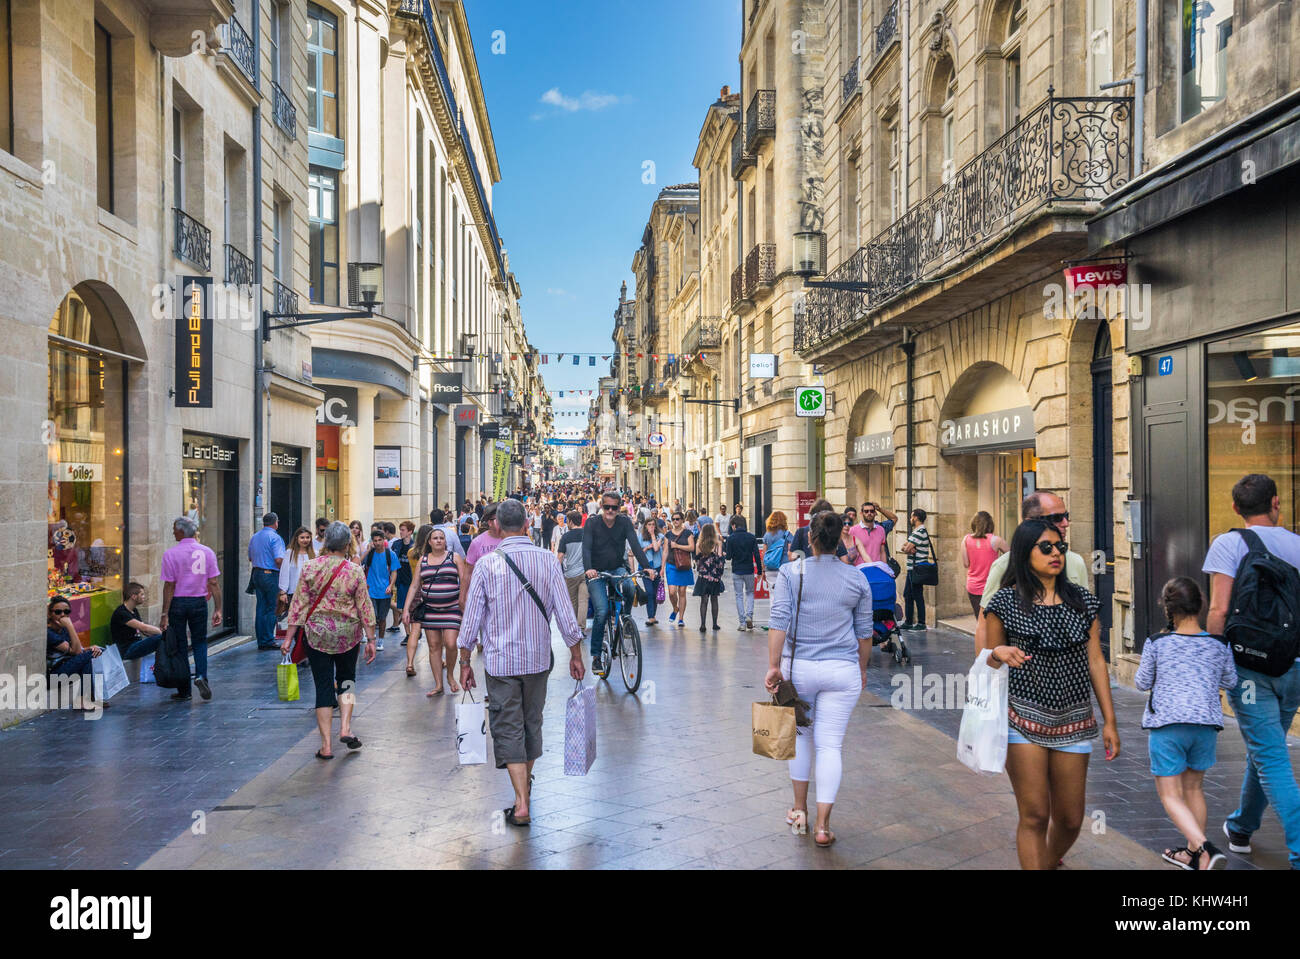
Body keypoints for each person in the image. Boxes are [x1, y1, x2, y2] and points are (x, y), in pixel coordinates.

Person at [981, 518, 1119, 869]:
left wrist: (1110, 721)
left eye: (1060, 547)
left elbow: (1096, 661)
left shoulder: (1083, 603)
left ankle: (1043, 861)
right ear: (1025, 553)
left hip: (1074, 720)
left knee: (1071, 818)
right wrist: (998, 654)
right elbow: (988, 661)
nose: (1056, 553)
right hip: (1021, 718)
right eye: (1046, 547)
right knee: (1035, 815)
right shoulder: (1005, 603)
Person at [457, 499, 585, 827]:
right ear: (527, 524)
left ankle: (521, 802)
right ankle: (524, 791)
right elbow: (565, 612)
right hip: (538, 659)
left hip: (501, 663)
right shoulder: (546, 561)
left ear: (497, 525)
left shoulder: (488, 564)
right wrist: (575, 654)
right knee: (532, 723)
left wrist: (464, 658)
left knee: (507, 725)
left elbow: (472, 617)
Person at [1203, 472, 1300, 868]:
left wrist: (1213, 661)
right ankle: (1241, 828)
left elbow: (1219, 610)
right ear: (1276, 503)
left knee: (1270, 755)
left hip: (1247, 667)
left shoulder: (1227, 543)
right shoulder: (1297, 544)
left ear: (1235, 508)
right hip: (1293, 665)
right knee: (1266, 749)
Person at [764, 512, 873, 847]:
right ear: (841, 537)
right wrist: (863, 667)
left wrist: (773, 666)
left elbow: (778, 621)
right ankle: (824, 826)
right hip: (842, 670)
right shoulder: (857, 579)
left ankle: (800, 811)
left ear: (809, 537)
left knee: (802, 740)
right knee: (830, 745)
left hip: (800, 670)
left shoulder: (790, 573)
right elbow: (864, 633)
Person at [1135, 577, 1235, 870]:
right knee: (1194, 790)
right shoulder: (1219, 645)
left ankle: (1204, 850)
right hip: (1205, 726)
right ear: (1200, 605)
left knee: (1170, 794)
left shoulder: (1157, 642)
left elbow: (1141, 682)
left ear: (1168, 608)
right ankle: (1194, 856)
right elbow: (1230, 680)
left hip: (1168, 726)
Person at [281, 521, 378, 759]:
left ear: (325, 542)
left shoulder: (310, 567)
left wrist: (289, 638)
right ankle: (345, 727)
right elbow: (364, 607)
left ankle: (326, 746)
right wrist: (372, 639)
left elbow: (299, 605)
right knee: (346, 680)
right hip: (348, 635)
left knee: (323, 686)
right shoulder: (354, 570)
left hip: (317, 635)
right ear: (347, 544)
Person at [977, 491, 1090, 650]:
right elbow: (984, 626)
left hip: (1068, 667)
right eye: (1056, 518)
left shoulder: (1076, 562)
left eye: (1066, 515)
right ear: (1031, 523)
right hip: (1020, 667)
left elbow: (1086, 621)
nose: (1065, 523)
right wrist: (985, 670)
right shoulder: (1004, 565)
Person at [583, 491, 655, 669]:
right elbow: (586, 548)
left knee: (630, 587)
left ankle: (625, 618)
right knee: (601, 611)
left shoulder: (624, 522)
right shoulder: (592, 523)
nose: (610, 510)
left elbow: (635, 545)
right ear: (601, 506)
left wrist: (646, 566)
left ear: (618, 508)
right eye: (606, 507)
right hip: (596, 572)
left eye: (614, 507)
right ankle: (596, 656)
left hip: (617, 567)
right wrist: (588, 569)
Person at [160, 516, 222, 701]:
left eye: (174, 529)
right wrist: (218, 608)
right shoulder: (207, 552)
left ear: (181, 531)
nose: (172, 532)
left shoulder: (170, 554)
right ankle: (202, 676)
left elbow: (169, 586)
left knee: (180, 646)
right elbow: (214, 582)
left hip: (178, 603)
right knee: (200, 642)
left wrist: (164, 613)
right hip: (198, 602)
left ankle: (184, 689)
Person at [404, 526, 468, 695]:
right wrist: (406, 610)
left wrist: (465, 603)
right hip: (430, 609)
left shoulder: (454, 557)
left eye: (441, 538)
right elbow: (414, 585)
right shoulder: (423, 560)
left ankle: (450, 676)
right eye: (435, 538)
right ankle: (439, 684)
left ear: (445, 541)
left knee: (451, 643)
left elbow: (463, 581)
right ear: (429, 542)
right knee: (434, 646)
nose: (439, 540)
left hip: (452, 608)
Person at [47, 597, 103, 707]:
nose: (63, 615)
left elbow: (78, 649)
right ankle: (85, 699)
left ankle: (85, 699)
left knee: (93, 654)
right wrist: (70, 626)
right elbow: (77, 652)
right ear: (49, 614)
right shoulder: (49, 633)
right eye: (58, 612)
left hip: (65, 669)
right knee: (89, 656)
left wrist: (91, 647)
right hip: (53, 676)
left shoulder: (63, 629)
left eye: (66, 612)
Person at [249, 512, 286, 650]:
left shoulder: (255, 537)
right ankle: (269, 640)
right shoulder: (275, 538)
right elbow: (278, 559)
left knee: (261, 607)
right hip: (270, 575)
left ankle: (261, 640)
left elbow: (250, 558)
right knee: (272, 608)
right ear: (275, 522)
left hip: (257, 573)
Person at [961, 511, 1007, 617]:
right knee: (994, 621)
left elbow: (966, 564)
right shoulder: (996, 540)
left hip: (972, 586)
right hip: (992, 586)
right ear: (990, 524)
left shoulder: (966, 539)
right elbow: (1013, 558)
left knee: (980, 620)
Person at [362, 530, 399, 652]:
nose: (377, 543)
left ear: (384, 540)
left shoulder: (391, 554)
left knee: (382, 618)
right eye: (375, 540)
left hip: (384, 591)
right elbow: (358, 563)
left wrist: (391, 585)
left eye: (380, 540)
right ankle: (371, 639)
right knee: (371, 617)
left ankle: (381, 640)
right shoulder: (370, 554)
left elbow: (394, 571)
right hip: (371, 590)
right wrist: (367, 550)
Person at [724, 515, 763, 630]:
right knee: (750, 593)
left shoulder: (731, 538)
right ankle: (749, 616)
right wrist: (759, 571)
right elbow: (756, 555)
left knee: (739, 595)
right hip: (749, 570)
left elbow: (729, 557)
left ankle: (742, 623)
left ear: (734, 525)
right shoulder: (751, 537)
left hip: (737, 570)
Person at [110, 581, 164, 662]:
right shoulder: (121, 612)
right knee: (161, 638)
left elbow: (145, 631)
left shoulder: (134, 610)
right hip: (126, 650)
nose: (144, 597)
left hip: (136, 644)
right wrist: (164, 633)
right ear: (134, 596)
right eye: (142, 594)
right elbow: (144, 627)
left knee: (162, 639)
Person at [899, 509, 935, 631]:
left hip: (916, 568)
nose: (910, 519)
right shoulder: (918, 532)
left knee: (917, 595)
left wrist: (907, 547)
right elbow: (904, 546)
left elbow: (905, 548)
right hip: (913, 568)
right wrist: (907, 547)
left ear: (915, 517)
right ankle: (908, 622)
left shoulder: (919, 532)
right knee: (908, 595)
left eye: (911, 516)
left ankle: (921, 623)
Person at [277, 526, 316, 624]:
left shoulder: (315, 554)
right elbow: (284, 572)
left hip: (310, 593)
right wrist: (283, 592)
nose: (305, 540)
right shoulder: (290, 553)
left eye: (307, 537)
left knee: (308, 621)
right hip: (293, 592)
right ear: (297, 539)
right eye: (302, 537)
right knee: (295, 621)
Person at [557, 510, 588, 630]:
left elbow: (560, 557)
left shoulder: (565, 537)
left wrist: (556, 574)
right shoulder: (587, 534)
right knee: (583, 601)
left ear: (570, 521)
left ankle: (575, 628)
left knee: (573, 602)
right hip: (586, 573)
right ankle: (581, 627)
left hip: (570, 574)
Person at [664, 510, 695, 628]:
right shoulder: (668, 534)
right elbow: (665, 552)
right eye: (673, 519)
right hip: (671, 565)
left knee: (682, 592)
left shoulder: (688, 533)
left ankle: (681, 618)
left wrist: (677, 546)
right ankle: (675, 608)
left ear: (682, 520)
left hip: (684, 565)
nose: (675, 521)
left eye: (678, 519)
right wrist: (662, 568)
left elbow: (692, 547)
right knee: (672, 592)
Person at [692, 522, 726, 632]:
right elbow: (720, 560)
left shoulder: (699, 545)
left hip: (703, 576)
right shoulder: (718, 544)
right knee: (714, 599)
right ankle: (715, 624)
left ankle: (702, 624)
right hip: (714, 576)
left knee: (704, 600)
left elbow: (697, 561)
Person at [637, 516, 664, 625]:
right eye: (649, 525)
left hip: (657, 566)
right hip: (645, 567)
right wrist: (648, 547)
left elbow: (657, 548)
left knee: (655, 592)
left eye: (653, 525)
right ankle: (651, 616)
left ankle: (653, 615)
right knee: (649, 592)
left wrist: (653, 535)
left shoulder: (660, 536)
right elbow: (639, 553)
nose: (651, 527)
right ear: (645, 526)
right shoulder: (640, 537)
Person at [392, 521, 415, 639]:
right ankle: (409, 633)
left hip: (412, 582)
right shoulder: (396, 545)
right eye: (400, 530)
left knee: (410, 608)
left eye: (403, 530)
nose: (401, 532)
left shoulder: (415, 547)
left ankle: (410, 634)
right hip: (401, 581)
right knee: (401, 607)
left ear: (410, 532)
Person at [466, 503, 505, 572]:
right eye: (499, 518)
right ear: (490, 522)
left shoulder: (510, 539)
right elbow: (468, 572)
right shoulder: (477, 542)